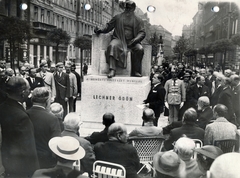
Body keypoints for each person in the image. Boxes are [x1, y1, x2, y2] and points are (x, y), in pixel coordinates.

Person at [94, 0, 146, 78]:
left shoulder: (138, 20)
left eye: (130, 8)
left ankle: (136, 71)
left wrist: (135, 40)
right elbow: (108, 26)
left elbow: (142, 32)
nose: (128, 10)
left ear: (133, 9)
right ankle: (112, 69)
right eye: (127, 8)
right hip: (119, 39)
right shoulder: (118, 17)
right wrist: (100, 30)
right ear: (125, 8)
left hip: (132, 42)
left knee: (140, 49)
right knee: (112, 45)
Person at [0, 76, 39, 177]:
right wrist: (34, 171)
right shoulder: (22, 117)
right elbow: (29, 150)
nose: (30, 93)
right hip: (20, 170)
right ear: (22, 92)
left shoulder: (2, 107)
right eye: (29, 89)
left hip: (7, 164)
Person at [27, 87, 61, 168]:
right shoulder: (52, 118)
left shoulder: (25, 114)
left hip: (27, 158)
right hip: (45, 161)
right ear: (47, 101)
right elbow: (56, 142)